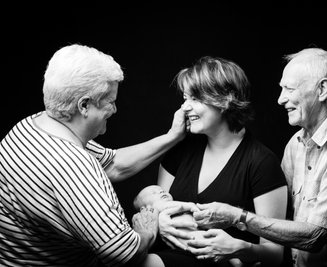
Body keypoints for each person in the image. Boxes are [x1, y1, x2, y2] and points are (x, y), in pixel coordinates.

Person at [182, 48, 327, 267]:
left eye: (289, 89)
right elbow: (278, 226)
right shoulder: (296, 144)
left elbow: (314, 237)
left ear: (322, 89)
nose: (280, 99)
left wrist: (238, 217)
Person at [0, 44, 188, 266]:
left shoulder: (30, 127)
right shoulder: (72, 165)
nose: (115, 110)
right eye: (110, 101)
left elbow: (114, 165)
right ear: (84, 105)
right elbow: (125, 255)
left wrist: (172, 136)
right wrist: (146, 231)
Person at [154, 56, 288, 267]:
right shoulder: (180, 150)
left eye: (195, 99)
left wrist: (239, 249)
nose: (184, 108)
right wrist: (157, 219)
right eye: (185, 98)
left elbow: (275, 254)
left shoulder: (261, 162)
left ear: (226, 100)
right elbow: (155, 204)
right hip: (166, 255)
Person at [133, 185, 245, 267]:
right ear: (145, 208)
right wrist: (190, 206)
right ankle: (237, 260)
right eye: (154, 193)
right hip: (191, 242)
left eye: (162, 190)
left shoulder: (172, 209)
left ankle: (237, 260)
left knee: (220, 247)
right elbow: (175, 206)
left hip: (196, 236)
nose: (161, 192)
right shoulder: (157, 209)